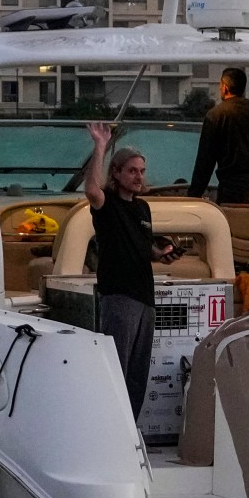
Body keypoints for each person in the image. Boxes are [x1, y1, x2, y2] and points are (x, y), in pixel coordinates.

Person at [84, 121, 180, 422]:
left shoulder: (143, 209)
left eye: (141, 171)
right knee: (117, 369)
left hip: (145, 298)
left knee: (139, 374)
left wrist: (161, 255)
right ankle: (110, 428)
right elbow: (91, 189)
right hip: (120, 296)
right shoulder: (107, 203)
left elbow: (144, 247)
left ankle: (130, 429)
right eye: (132, 171)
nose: (139, 176)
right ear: (116, 173)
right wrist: (100, 145)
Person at [185, 67, 249, 206]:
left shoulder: (215, 115)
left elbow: (205, 162)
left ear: (225, 87)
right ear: (243, 89)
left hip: (232, 191)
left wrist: (193, 197)